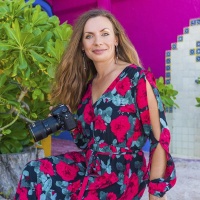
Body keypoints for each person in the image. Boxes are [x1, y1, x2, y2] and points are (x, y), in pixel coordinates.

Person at [15, 9, 176, 200]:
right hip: (91, 165)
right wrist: (71, 124)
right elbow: (86, 143)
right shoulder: (89, 87)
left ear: (116, 39)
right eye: (89, 36)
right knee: (33, 172)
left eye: (105, 34)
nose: (97, 41)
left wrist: (156, 193)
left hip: (121, 175)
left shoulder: (137, 79)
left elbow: (160, 139)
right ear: (82, 45)